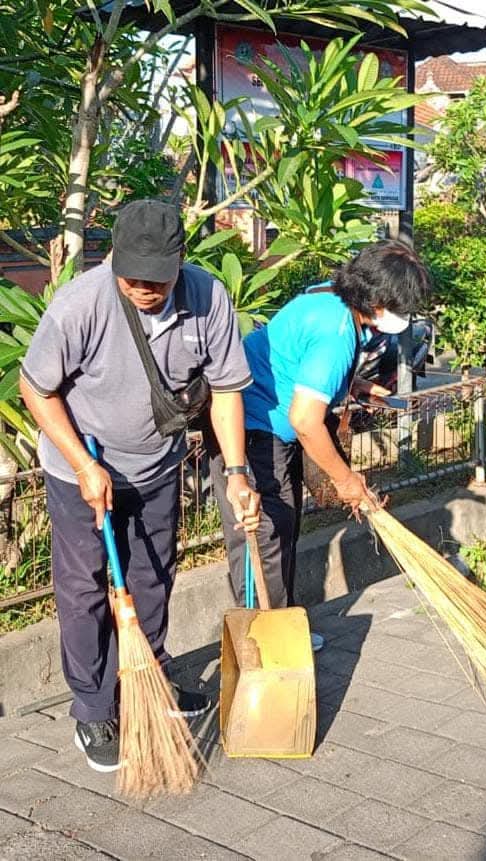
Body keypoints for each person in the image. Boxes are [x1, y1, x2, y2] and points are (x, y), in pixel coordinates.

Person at [19, 199, 259, 773]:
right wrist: (83, 465)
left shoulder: (208, 298)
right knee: (83, 587)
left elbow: (227, 389)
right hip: (82, 469)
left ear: (180, 262)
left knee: (153, 576)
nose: (145, 288)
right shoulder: (80, 304)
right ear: (114, 259)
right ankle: (93, 707)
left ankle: (148, 681)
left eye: (157, 278)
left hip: (156, 465)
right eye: (132, 277)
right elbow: (36, 389)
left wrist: (236, 473)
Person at [207, 240, 432, 641]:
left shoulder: (327, 298)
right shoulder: (336, 331)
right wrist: (347, 481)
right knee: (264, 540)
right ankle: (267, 643)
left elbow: (300, 362)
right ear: (376, 298)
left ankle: (282, 629)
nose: (401, 314)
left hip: (264, 426)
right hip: (253, 434)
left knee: (280, 531)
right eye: (397, 305)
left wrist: (350, 384)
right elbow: (306, 421)